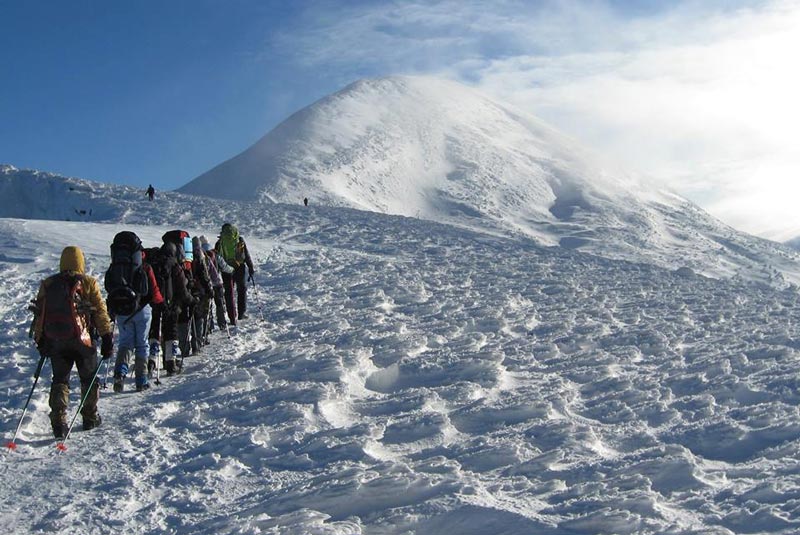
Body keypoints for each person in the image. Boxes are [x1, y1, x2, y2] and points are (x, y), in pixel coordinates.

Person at [32, 246, 114, 438]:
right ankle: (89, 417)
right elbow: (101, 312)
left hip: (55, 340)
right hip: (83, 341)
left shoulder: (48, 284)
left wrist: (40, 339)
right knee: (88, 377)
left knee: (60, 380)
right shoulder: (88, 282)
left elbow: (40, 315)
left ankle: (59, 422)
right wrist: (107, 336)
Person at [112, 241, 164, 393]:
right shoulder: (145, 267)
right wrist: (160, 302)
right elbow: (154, 291)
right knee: (142, 344)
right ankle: (141, 380)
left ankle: (119, 375)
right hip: (142, 310)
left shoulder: (116, 267)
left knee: (125, 343)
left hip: (122, 310)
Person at [215, 223, 254, 324]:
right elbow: (246, 255)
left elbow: (217, 259)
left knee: (229, 292)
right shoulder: (239, 240)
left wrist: (216, 272)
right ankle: (241, 313)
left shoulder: (219, 242)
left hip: (226, 268)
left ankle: (232, 317)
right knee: (241, 289)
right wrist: (250, 267)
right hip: (239, 267)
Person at [200, 236, 232, 335]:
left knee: (207, 306)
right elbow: (224, 266)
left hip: (206, 284)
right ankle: (222, 323)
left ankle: (209, 326)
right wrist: (232, 270)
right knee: (219, 304)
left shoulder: (200, 254)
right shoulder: (214, 253)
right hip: (217, 283)